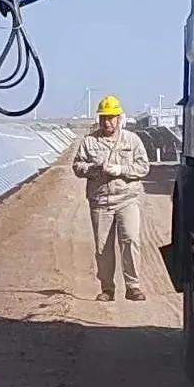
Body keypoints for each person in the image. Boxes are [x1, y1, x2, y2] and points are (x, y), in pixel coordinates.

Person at [72, 96, 150, 302]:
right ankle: (107, 289)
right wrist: (94, 169)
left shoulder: (132, 141)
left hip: (127, 200)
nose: (107, 122)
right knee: (103, 247)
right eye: (104, 118)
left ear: (119, 118)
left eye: (112, 118)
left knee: (131, 240)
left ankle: (133, 287)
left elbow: (143, 167)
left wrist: (121, 170)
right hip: (101, 202)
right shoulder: (89, 142)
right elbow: (77, 167)